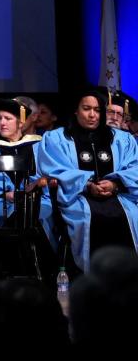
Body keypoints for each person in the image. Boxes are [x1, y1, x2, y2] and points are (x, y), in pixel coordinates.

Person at [38, 90, 138, 271]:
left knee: (131, 216)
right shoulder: (56, 138)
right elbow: (55, 169)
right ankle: (89, 279)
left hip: (120, 197)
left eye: (98, 110)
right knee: (86, 219)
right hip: (77, 197)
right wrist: (87, 184)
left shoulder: (122, 139)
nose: (92, 115)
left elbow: (135, 167)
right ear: (76, 110)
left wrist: (115, 184)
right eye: (86, 109)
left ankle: (129, 280)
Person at [0, 97, 56, 276]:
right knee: (12, 216)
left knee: (35, 214)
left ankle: (41, 272)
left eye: (8, 118)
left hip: (38, 203)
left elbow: (45, 179)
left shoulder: (39, 145)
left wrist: (27, 195)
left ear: (21, 121)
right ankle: (5, 273)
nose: (2, 123)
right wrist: (7, 195)